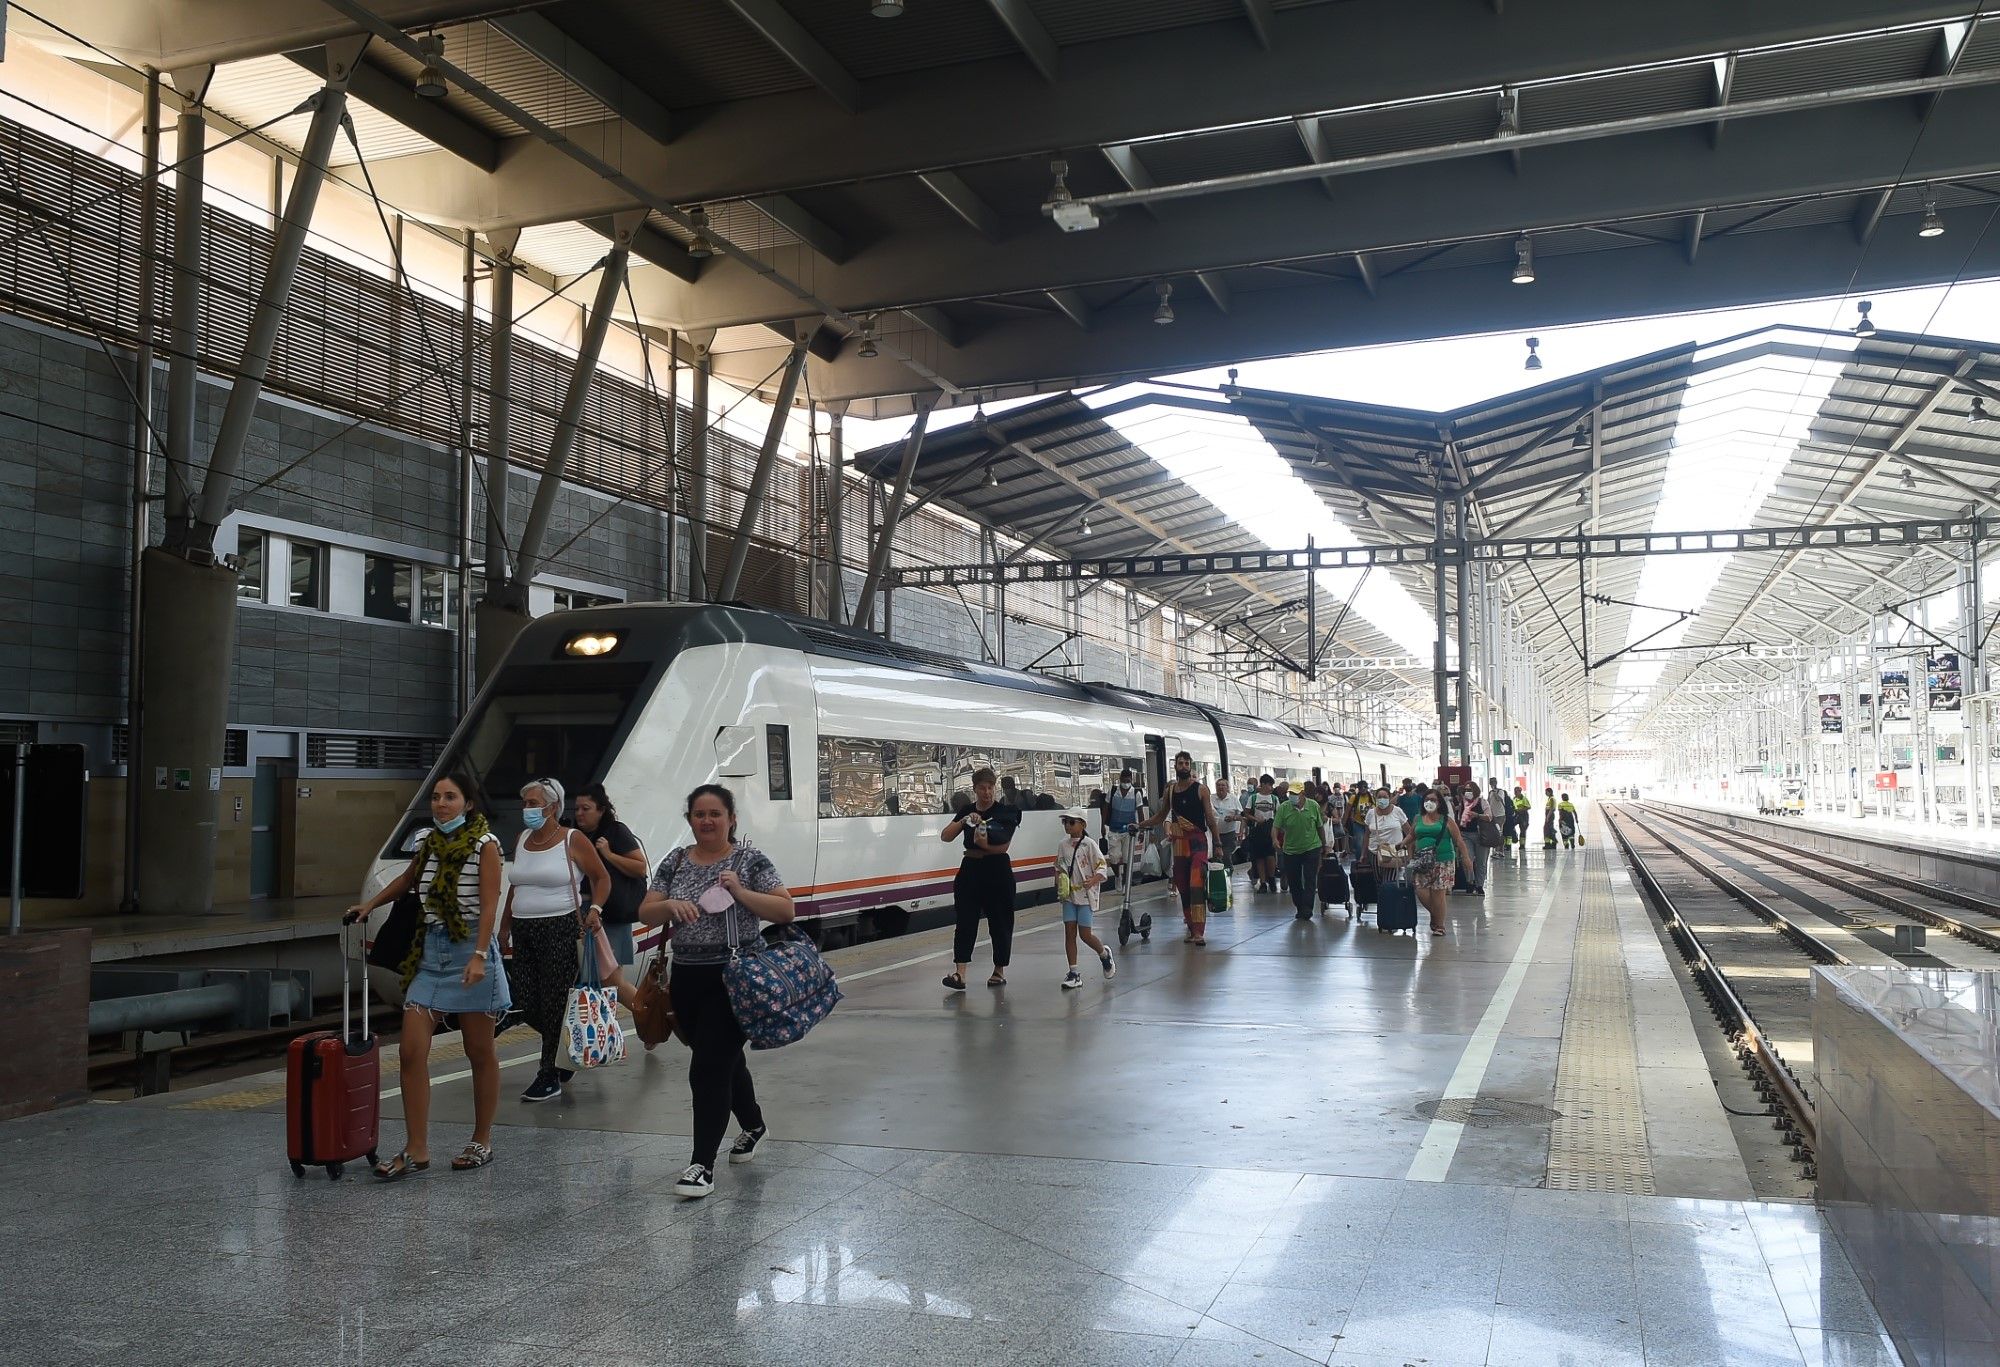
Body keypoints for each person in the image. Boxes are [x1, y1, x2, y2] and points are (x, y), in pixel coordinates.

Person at [344, 769, 507, 1178]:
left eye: (450, 797)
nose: (440, 804)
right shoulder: (428, 843)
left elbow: (490, 904)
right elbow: (407, 879)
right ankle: (417, 1147)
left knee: (479, 1052)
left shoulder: (486, 846)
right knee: (411, 1050)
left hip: (472, 947)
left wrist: (481, 954)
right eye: (436, 797)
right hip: (432, 954)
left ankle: (482, 1139)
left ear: (468, 804)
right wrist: (369, 906)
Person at [636, 784, 795, 1199]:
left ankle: (701, 1166)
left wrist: (741, 892)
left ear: (731, 819)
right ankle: (754, 1124)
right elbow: (645, 911)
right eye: (698, 814)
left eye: (715, 814)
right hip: (687, 978)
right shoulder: (675, 860)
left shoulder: (749, 860)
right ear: (689, 819)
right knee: (721, 1058)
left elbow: (785, 909)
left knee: (707, 1066)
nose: (706, 821)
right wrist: (669, 906)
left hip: (735, 977)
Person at [502, 778, 612, 1104]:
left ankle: (548, 1075)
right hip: (523, 929)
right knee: (526, 1000)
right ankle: (565, 1047)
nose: (527, 809)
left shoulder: (571, 839)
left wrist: (595, 908)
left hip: (561, 928)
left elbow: (601, 877)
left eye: (534, 803)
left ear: (552, 807)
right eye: (525, 803)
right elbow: (515, 886)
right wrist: (504, 926)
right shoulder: (522, 838)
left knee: (552, 1001)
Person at [941, 767, 1020, 990]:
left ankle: (999, 970)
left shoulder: (1006, 812)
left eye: (990, 788)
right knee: (965, 920)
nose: (987, 792)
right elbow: (946, 836)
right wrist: (966, 819)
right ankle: (960, 973)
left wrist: (982, 831)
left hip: (997, 869)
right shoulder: (967, 811)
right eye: (982, 788)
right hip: (971, 868)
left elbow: (1002, 846)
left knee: (1000, 922)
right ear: (975, 789)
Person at [1138, 751, 1223, 945]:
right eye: (1180, 763)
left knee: (1196, 884)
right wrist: (1141, 825)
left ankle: (1199, 931)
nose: (1183, 766)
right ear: (1175, 766)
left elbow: (1210, 819)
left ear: (1190, 766)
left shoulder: (1201, 790)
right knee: (1183, 885)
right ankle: (1192, 927)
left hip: (1198, 841)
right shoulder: (1170, 791)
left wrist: (1217, 843)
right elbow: (1161, 816)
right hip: (1179, 843)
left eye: (1186, 763)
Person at [574, 784, 648, 1007]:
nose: (579, 813)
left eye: (585, 808)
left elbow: (639, 867)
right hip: (586, 913)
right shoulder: (575, 835)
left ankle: (650, 1019)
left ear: (601, 810)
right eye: (576, 808)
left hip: (611, 914)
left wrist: (608, 854)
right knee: (595, 981)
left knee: (611, 980)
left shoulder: (616, 831)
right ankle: (607, 1033)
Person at [1056, 813, 1115, 988]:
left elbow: (1102, 865)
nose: (1067, 826)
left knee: (1085, 934)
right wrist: (1059, 882)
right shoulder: (1062, 845)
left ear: (1082, 824)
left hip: (1085, 896)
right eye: (1065, 822)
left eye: (1071, 822)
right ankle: (1074, 972)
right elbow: (1058, 866)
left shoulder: (1089, 845)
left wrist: (1094, 879)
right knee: (1069, 932)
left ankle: (1104, 954)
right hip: (1069, 896)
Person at [1410, 790, 1473, 938]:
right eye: (1427, 799)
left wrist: (1466, 858)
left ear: (1439, 803)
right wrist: (1405, 848)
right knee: (1421, 890)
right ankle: (1437, 916)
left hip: (1443, 860)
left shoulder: (1447, 820)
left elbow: (1458, 840)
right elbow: (1412, 835)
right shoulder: (1418, 818)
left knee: (1438, 894)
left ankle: (1439, 926)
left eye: (1433, 800)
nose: (1429, 802)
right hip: (1422, 861)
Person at [1273, 781, 1325, 921]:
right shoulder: (1284, 807)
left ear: (1303, 794)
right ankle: (1299, 906)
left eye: (1295, 794)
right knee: (1294, 880)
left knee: (1309, 878)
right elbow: (1276, 826)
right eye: (1291, 793)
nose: (1292, 796)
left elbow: (1319, 826)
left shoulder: (1313, 806)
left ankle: (1307, 908)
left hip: (1311, 847)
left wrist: (1324, 845)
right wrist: (1275, 839)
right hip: (1291, 850)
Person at [1105, 769, 1146, 889]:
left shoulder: (1136, 793)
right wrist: (1103, 825)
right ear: (1120, 779)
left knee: (1128, 858)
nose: (1126, 783)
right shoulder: (1113, 791)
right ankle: (1118, 876)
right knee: (1113, 857)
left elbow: (1140, 812)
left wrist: (1142, 830)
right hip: (1114, 830)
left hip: (1129, 831)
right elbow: (1106, 808)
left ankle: (1125, 884)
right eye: (1124, 780)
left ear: (1131, 780)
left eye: (1128, 780)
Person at [1244, 774, 1279, 893]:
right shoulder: (1253, 798)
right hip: (1257, 830)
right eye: (1269, 784)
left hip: (1270, 829)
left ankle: (1272, 877)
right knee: (1259, 858)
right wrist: (1255, 819)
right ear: (1263, 784)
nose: (1271, 787)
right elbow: (1246, 813)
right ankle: (1263, 882)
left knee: (1270, 856)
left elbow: (1278, 814)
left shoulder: (1274, 799)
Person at [1455, 782, 1490, 896]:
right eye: (1465, 790)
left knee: (1481, 862)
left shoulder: (1482, 802)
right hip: (1465, 834)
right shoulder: (1462, 803)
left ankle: (1479, 885)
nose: (1467, 792)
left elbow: (1489, 817)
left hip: (1481, 835)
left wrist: (1477, 815)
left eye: (1470, 790)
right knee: (1467, 859)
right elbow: (1459, 817)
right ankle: (1470, 882)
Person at [1214, 775, 1239, 868]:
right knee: (1215, 858)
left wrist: (1233, 818)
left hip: (1229, 834)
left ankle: (1229, 873)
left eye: (1223, 785)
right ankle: (1219, 878)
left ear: (1227, 787)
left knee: (1225, 856)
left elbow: (1241, 816)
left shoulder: (1233, 799)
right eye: (1218, 785)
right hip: (1215, 834)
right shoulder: (1210, 798)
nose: (1220, 787)